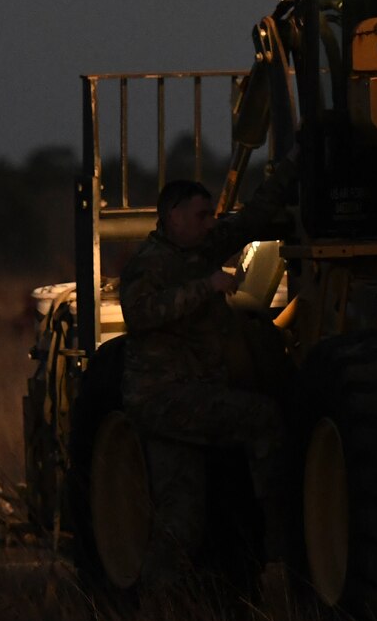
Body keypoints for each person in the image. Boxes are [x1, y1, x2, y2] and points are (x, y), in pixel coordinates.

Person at [117, 162, 295, 589]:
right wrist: (206, 287)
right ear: (173, 216)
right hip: (165, 398)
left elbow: (249, 220)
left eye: (211, 214)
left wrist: (290, 168)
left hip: (187, 397)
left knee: (182, 514)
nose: (209, 222)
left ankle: (160, 610)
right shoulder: (149, 263)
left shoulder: (201, 248)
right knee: (263, 418)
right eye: (200, 215)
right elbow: (139, 314)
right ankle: (281, 532)